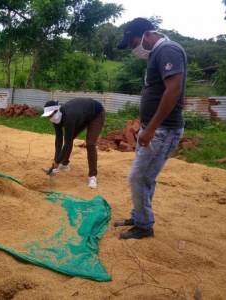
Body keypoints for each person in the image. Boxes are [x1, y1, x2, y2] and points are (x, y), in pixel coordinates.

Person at [115, 18, 187, 239]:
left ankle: (144, 226)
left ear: (146, 35)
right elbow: (155, 93)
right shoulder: (157, 53)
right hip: (154, 128)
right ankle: (139, 217)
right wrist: (143, 125)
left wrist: (151, 128)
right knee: (145, 177)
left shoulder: (168, 50)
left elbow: (173, 90)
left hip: (163, 130)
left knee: (138, 177)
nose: (132, 48)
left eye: (133, 42)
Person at [42, 98, 105, 189]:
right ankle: (65, 164)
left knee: (90, 143)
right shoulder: (55, 118)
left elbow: (67, 143)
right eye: (48, 116)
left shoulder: (69, 116)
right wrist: (56, 161)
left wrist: (56, 162)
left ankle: (92, 176)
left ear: (57, 110)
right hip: (83, 115)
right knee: (69, 138)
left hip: (96, 114)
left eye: (50, 115)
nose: (50, 118)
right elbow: (59, 140)